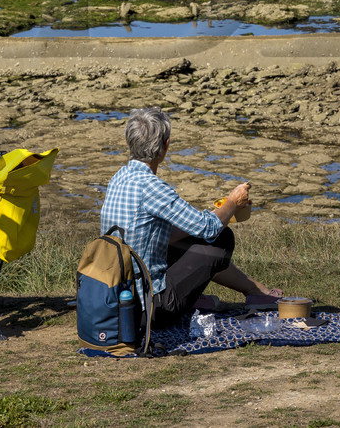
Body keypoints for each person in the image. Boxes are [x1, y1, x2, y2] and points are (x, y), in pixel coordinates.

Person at [100, 107, 283, 324]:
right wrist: (233, 202)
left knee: (188, 235)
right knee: (221, 239)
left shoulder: (119, 178)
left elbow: (159, 233)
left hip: (117, 297)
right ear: (165, 146)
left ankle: (249, 291)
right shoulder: (151, 186)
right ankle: (188, 298)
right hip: (148, 308)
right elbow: (208, 229)